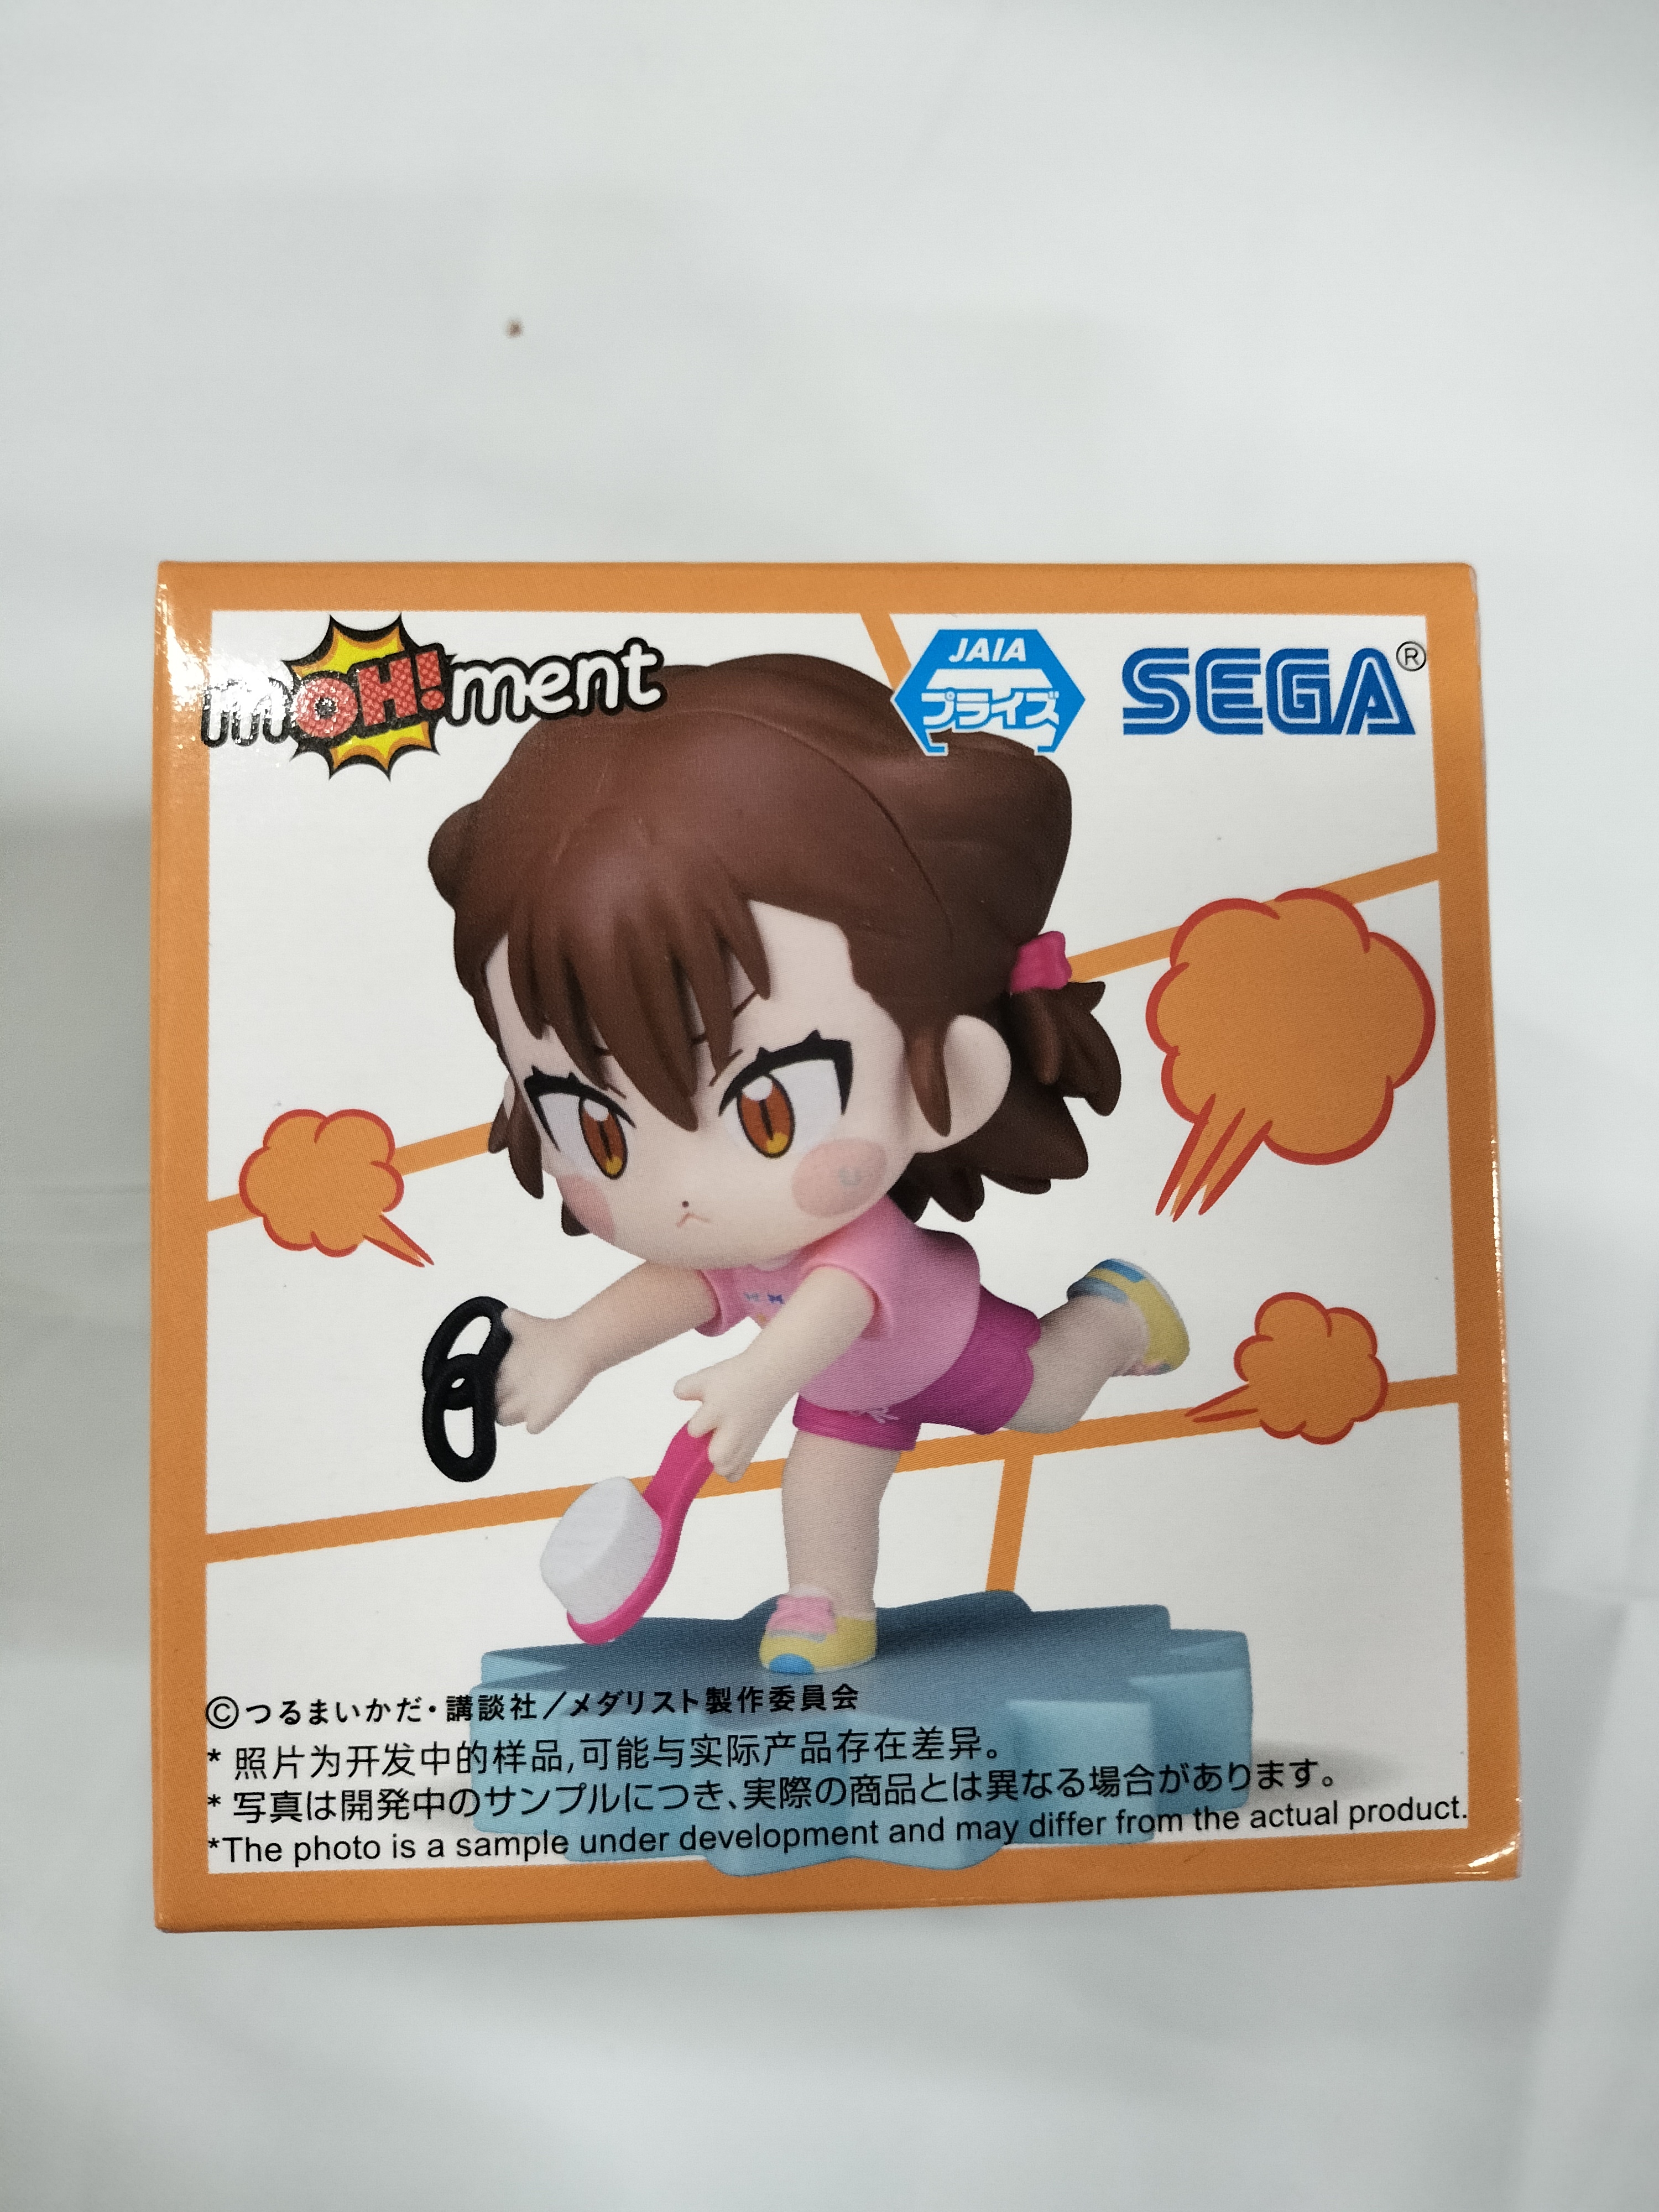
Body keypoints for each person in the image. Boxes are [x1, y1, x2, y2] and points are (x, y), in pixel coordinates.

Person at [428, 653, 1187, 1671]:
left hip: (949, 1351)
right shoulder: (733, 1244)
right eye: (598, 1129)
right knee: (822, 1482)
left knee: (1051, 1398)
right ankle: (829, 1610)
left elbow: (834, 1308)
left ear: (952, 1078)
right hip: (848, 1391)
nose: (686, 1193)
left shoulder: (860, 1248)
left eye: (770, 1110)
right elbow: (680, 1286)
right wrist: (573, 1344)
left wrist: (758, 1380)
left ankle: (1116, 1314)